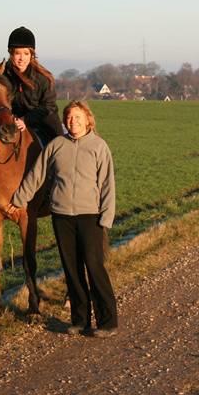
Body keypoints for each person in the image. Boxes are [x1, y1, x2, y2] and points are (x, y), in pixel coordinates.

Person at [6, 101, 118, 337]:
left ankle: (107, 322)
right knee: (71, 270)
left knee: (94, 267)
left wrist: (106, 217)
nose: (72, 122)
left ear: (88, 120)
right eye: (69, 118)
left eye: (77, 118)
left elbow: (107, 184)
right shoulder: (57, 145)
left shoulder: (99, 146)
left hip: (91, 216)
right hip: (62, 215)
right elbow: (36, 174)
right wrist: (19, 199)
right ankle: (80, 320)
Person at [3, 26, 64, 145]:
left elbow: (49, 106)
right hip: (14, 124)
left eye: (26, 53)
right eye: (17, 53)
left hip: (44, 125)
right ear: (11, 54)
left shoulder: (44, 78)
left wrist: (25, 119)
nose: (21, 58)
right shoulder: (3, 77)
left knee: (59, 154)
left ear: (32, 55)